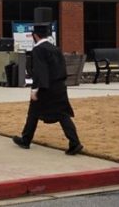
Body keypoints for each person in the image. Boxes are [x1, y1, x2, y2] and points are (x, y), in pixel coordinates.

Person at [12, 24, 83, 155]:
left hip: (46, 87)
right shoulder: (55, 49)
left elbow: (40, 71)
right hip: (60, 86)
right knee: (63, 115)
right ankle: (75, 142)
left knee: (33, 112)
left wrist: (35, 89)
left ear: (35, 36)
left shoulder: (38, 49)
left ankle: (26, 140)